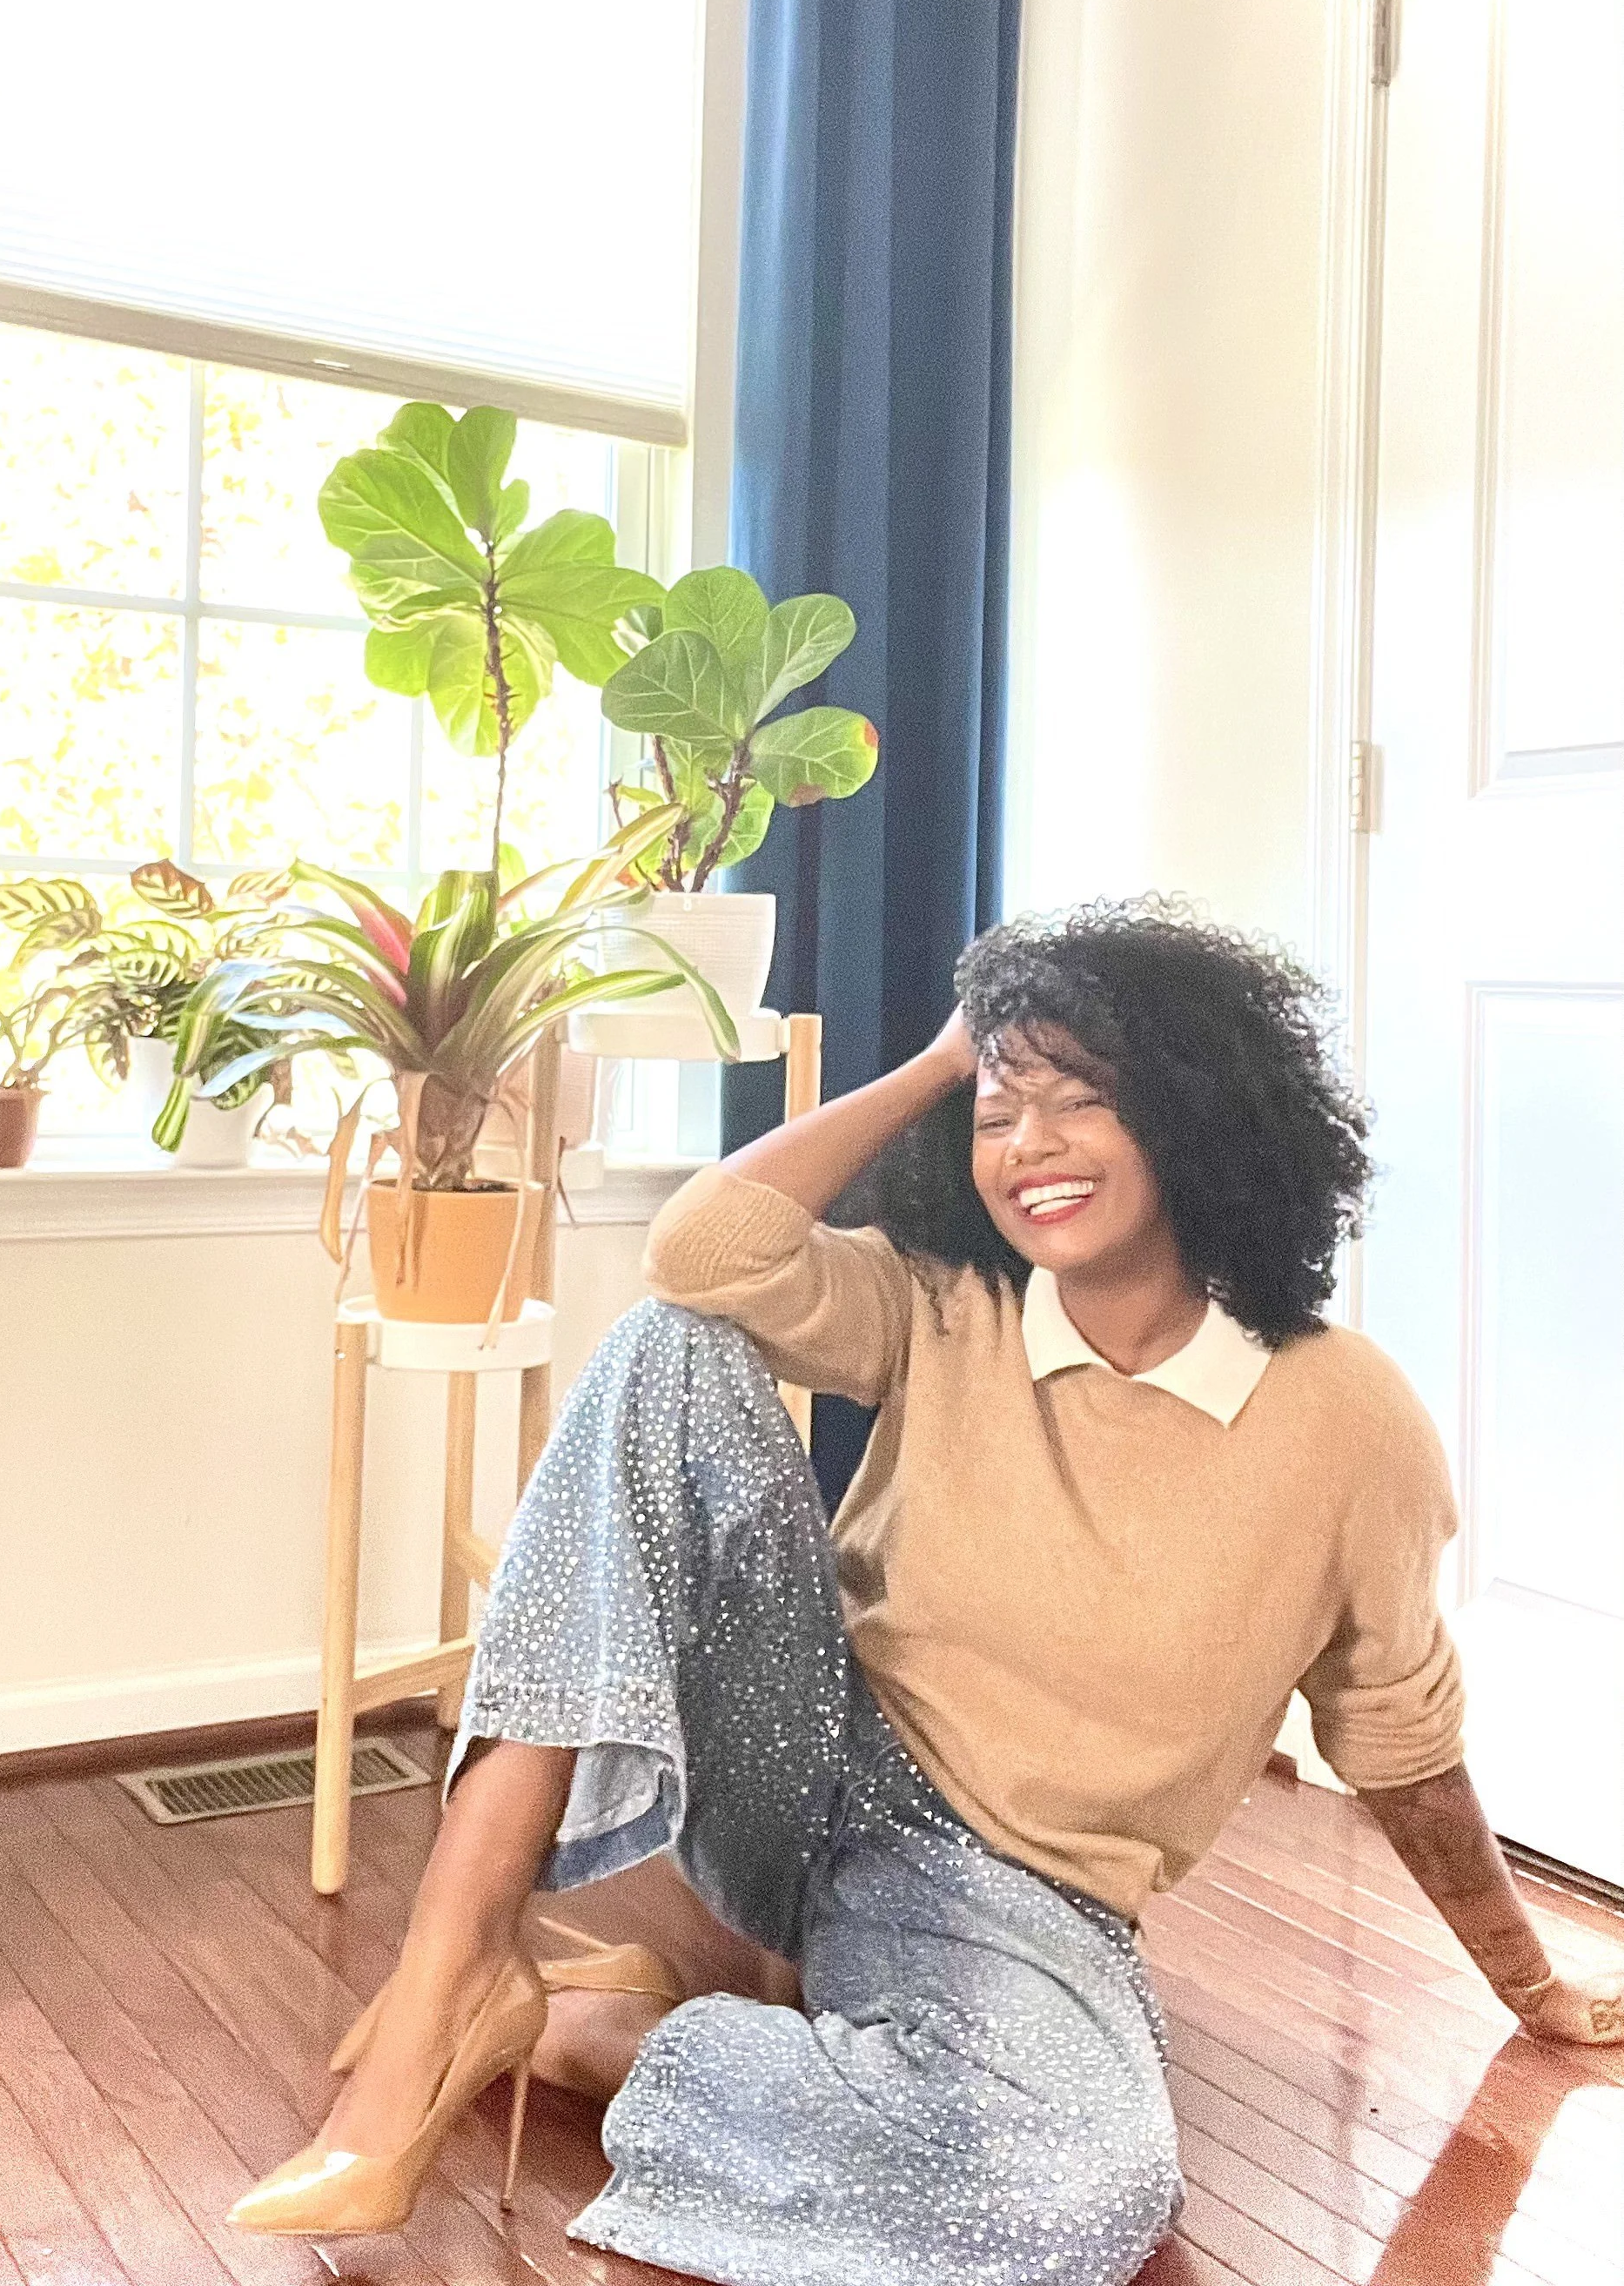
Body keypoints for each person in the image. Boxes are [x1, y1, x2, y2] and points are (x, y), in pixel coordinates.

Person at [231, 903, 1623, 2283]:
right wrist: (941, 1062)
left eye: (1079, 1102)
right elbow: (702, 1253)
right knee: (674, 1348)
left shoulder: (1348, 1423)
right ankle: (451, 1974)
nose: (1028, 1151)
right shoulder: (946, 1300)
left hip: (1015, 1887)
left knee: (1079, 2198)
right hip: (801, 1757)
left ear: (1199, 1119)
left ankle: (610, 2035)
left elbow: (1401, 1739)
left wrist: (1528, 1983)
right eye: (999, 1114)